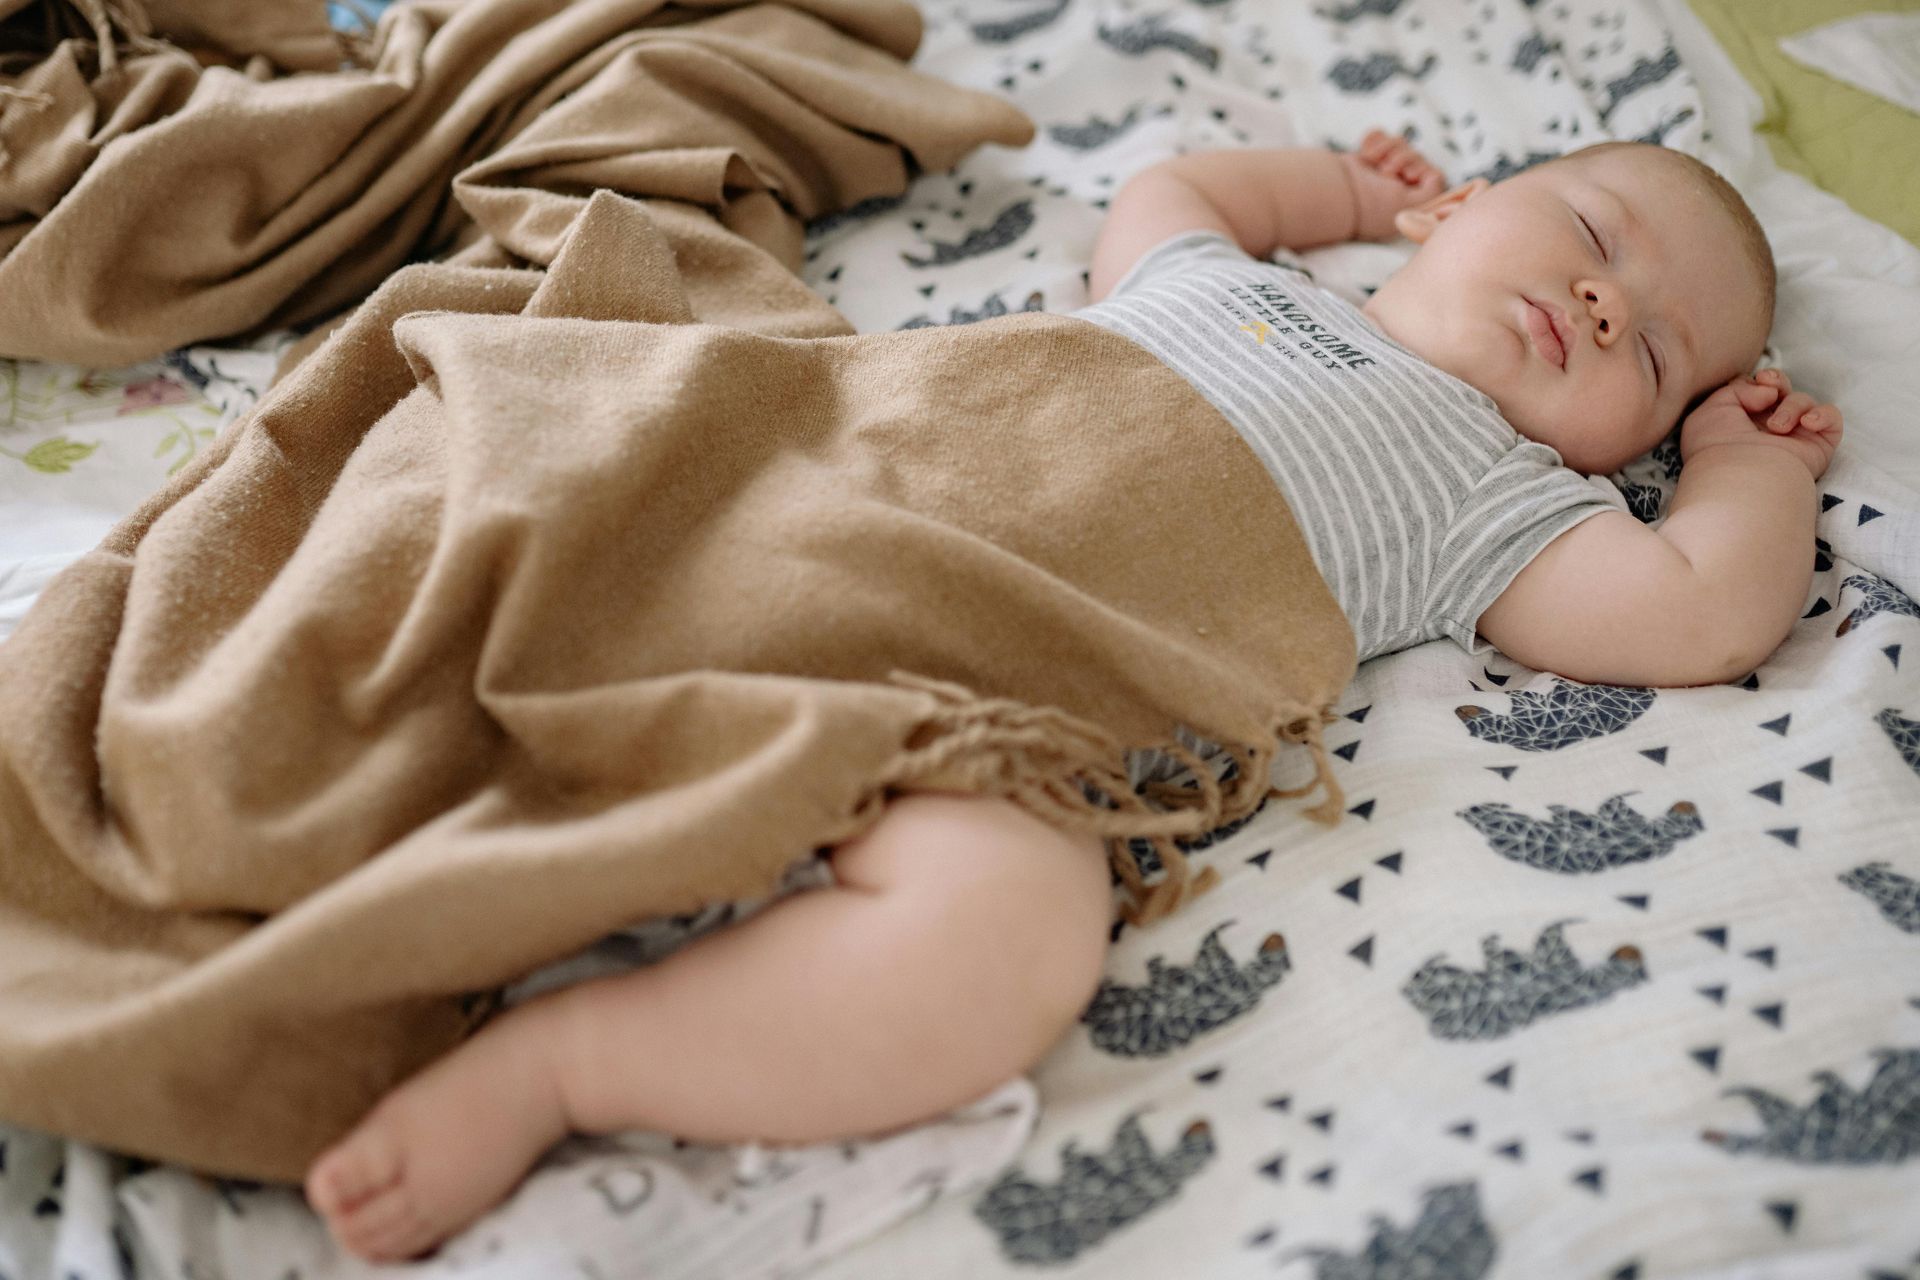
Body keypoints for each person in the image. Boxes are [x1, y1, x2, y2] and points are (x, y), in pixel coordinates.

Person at [303, 131, 1841, 1262]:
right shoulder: (1235, 285)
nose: (1597, 295)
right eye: (1592, 231)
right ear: (1452, 205)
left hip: (999, 697)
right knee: (573, 446)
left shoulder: (1496, 504)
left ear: (1616, 451)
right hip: (842, 492)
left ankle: (568, 1062)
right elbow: (1177, 189)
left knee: (1007, 941)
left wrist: (1742, 467)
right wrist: (1343, 190)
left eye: (1650, 351)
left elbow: (1698, 611)